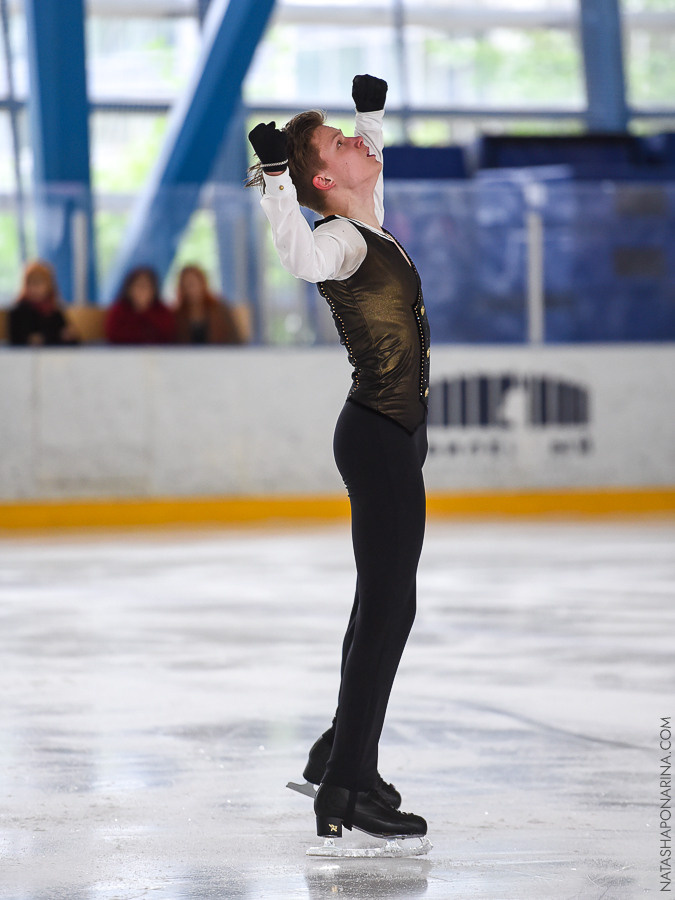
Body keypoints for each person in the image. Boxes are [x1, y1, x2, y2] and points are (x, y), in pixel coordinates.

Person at [248, 74, 431, 844]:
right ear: (322, 177)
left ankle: (338, 757)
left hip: (390, 437)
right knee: (389, 607)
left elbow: (363, 171)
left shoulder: (369, 225)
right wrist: (275, 178)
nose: (358, 145)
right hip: (378, 437)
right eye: (340, 144)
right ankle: (349, 784)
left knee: (379, 604)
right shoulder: (338, 240)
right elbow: (294, 254)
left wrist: (369, 118)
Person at [8, 260, 79, 346]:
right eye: (30, 283)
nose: (34, 288)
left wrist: (69, 335)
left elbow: (70, 339)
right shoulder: (18, 311)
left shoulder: (54, 310)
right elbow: (16, 340)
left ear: (49, 285)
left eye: (39, 283)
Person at [105, 266, 176, 345]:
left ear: (154, 290)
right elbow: (114, 335)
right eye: (138, 285)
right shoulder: (119, 310)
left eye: (146, 286)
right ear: (129, 289)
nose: (142, 290)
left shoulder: (162, 311)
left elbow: (166, 335)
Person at [173, 265, 243, 345]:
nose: (190, 290)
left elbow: (236, 340)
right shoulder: (178, 316)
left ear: (202, 284)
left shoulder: (220, 311)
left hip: (218, 355)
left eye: (192, 285)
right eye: (185, 286)